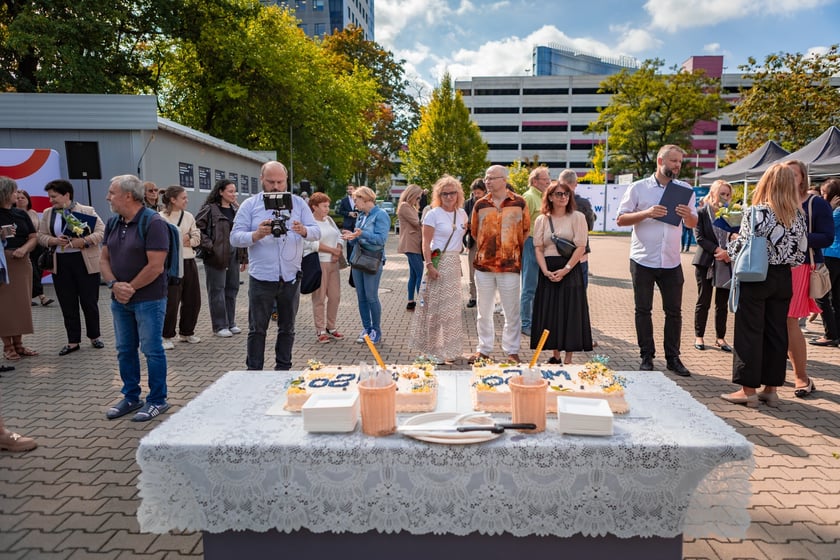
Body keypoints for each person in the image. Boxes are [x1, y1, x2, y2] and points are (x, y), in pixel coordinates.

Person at [720, 163, 807, 407]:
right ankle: (771, 388)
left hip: (757, 276)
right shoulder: (798, 215)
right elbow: (800, 255)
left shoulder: (756, 212)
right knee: (776, 332)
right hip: (783, 278)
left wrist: (731, 242)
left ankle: (747, 390)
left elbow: (745, 248)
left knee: (750, 332)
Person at [616, 145, 697, 376]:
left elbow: (693, 223)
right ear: (660, 160)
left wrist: (688, 216)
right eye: (673, 161)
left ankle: (673, 358)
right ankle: (646, 356)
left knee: (674, 312)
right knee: (643, 310)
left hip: (671, 261)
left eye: (679, 162)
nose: (677, 165)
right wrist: (647, 213)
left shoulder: (685, 189)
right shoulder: (638, 188)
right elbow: (621, 219)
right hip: (643, 259)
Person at [230, 161, 320, 370]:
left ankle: (283, 370)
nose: (276, 186)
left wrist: (303, 230)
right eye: (271, 182)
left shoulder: (298, 203)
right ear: (262, 179)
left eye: (280, 182)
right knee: (257, 329)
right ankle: (254, 372)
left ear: (286, 180)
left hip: (290, 277)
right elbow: (234, 237)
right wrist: (256, 234)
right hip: (262, 278)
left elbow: (317, 231)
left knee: (287, 328)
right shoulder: (250, 205)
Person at [100, 174, 170, 422]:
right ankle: (131, 396)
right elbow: (104, 258)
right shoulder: (112, 222)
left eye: (112, 192)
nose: (108, 197)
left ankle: (157, 400)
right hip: (120, 300)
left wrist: (128, 287)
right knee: (124, 350)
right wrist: (113, 284)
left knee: (151, 350)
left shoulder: (153, 223)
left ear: (128, 195)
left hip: (149, 299)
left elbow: (156, 266)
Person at [37, 179, 106, 356]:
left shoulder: (86, 210)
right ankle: (73, 341)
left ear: (66, 195)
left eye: (54, 196)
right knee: (68, 304)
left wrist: (83, 241)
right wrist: (53, 240)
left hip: (84, 262)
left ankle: (95, 336)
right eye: (49, 197)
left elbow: (101, 231)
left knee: (89, 302)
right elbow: (41, 235)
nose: (50, 200)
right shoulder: (48, 213)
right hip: (60, 263)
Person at [783, 160, 833, 398]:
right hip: (773, 268)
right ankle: (773, 375)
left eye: (794, 174)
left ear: (803, 177)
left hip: (801, 266)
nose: (790, 178)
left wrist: (801, 239)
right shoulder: (774, 202)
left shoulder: (816, 203)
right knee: (775, 321)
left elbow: (827, 237)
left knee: (790, 320)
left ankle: (801, 377)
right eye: (785, 174)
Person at [468, 165, 529, 364]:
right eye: (486, 178)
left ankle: (511, 350)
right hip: (484, 266)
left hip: (510, 266)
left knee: (511, 312)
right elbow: (475, 232)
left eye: (492, 178)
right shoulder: (480, 205)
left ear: (504, 179)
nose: (487, 181)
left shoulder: (520, 203)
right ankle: (483, 349)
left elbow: (525, 231)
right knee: (483, 312)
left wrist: (511, 250)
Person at [532, 180, 592, 364]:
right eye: (559, 194)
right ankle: (555, 355)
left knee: (570, 312)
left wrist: (565, 270)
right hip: (548, 271)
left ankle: (568, 358)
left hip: (570, 270)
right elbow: (538, 248)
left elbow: (581, 246)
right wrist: (545, 271)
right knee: (551, 313)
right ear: (549, 197)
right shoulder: (542, 219)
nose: (564, 197)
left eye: (566, 194)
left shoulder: (578, 217)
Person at [409, 175, 469, 363]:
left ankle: (451, 350)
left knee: (451, 309)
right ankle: (432, 351)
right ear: (439, 195)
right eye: (445, 194)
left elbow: (462, 234)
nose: (449, 197)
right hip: (437, 261)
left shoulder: (462, 214)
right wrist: (428, 265)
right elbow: (425, 243)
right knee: (434, 308)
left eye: (452, 193)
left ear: (458, 194)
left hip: (454, 263)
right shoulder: (432, 214)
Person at [195, 179, 246, 338]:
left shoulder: (236, 210)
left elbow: (242, 233)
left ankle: (231, 323)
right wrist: (212, 247)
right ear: (220, 192)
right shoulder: (210, 209)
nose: (234, 194)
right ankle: (219, 326)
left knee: (232, 288)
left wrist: (243, 257)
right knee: (217, 290)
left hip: (234, 254)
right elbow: (197, 230)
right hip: (216, 256)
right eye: (230, 191)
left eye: (235, 191)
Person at [341, 186, 389, 344]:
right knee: (361, 297)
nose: (355, 204)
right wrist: (351, 237)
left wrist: (362, 234)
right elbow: (357, 238)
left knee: (371, 297)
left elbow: (381, 240)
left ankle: (376, 330)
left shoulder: (380, 215)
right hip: (357, 259)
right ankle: (366, 329)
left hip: (372, 260)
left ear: (366, 198)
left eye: (356, 200)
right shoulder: (361, 216)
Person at [692, 180, 735, 352]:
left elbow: (736, 235)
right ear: (713, 193)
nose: (725, 197)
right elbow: (700, 238)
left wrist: (729, 250)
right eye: (722, 194)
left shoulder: (731, 214)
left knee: (722, 304)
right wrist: (717, 249)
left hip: (725, 261)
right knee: (704, 300)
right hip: (706, 263)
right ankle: (699, 336)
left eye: (727, 194)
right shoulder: (702, 212)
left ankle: (720, 338)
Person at [1, 177, 39, 362]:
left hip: (22, 262)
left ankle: (19, 344)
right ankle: (7, 346)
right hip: (2, 263)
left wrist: (24, 249)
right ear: (5, 192)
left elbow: (33, 237)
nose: (18, 194)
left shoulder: (21, 214)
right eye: (15, 191)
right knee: (5, 306)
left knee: (21, 305)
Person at [160, 186, 201, 349]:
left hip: (189, 260)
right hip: (171, 263)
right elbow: (162, 240)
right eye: (183, 198)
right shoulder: (160, 218)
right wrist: (181, 239)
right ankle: (167, 335)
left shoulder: (189, 216)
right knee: (171, 300)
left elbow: (197, 237)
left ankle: (187, 332)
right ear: (173, 200)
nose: (187, 200)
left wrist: (188, 239)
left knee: (193, 299)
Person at [304, 192, 345, 343]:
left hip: (334, 263)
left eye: (328, 206)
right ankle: (320, 330)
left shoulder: (329, 220)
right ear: (314, 207)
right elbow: (311, 244)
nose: (328, 209)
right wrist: (332, 250)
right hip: (319, 263)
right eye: (324, 206)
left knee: (335, 297)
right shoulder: (310, 224)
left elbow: (339, 235)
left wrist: (338, 249)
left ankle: (331, 327)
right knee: (319, 298)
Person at [520, 166, 551, 337]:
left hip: (542, 245)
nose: (548, 181)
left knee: (539, 286)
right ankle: (525, 323)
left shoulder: (544, 198)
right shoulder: (529, 197)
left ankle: (535, 321)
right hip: (531, 244)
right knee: (529, 286)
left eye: (548, 178)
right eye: (545, 179)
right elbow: (521, 225)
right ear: (534, 181)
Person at [812, 178, 840, 346]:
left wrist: (829, 209)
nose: (822, 198)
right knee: (836, 298)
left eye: (824, 194)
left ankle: (830, 334)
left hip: (831, 255)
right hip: (836, 256)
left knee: (822, 296)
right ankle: (836, 334)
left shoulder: (835, 212)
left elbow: (820, 226)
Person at [558, 169, 596, 287]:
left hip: (558, 250)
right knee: (579, 293)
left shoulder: (552, 201)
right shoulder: (583, 203)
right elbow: (590, 226)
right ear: (575, 184)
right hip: (580, 254)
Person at [15, 189, 54, 307]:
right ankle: (42, 296)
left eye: (23, 198)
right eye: (18, 198)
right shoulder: (12, 214)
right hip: (23, 246)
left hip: (37, 245)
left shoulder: (32, 213)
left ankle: (29, 296)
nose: (20, 200)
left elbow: (38, 228)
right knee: (33, 272)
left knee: (37, 270)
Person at [397, 184, 424, 311]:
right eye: (418, 197)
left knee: (414, 274)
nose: (418, 200)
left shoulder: (409, 206)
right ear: (412, 195)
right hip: (411, 244)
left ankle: (411, 301)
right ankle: (421, 303)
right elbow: (416, 223)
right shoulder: (405, 206)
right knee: (420, 274)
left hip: (412, 243)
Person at [463, 178, 486, 308]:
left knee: (485, 270)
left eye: (479, 192)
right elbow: (465, 222)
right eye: (475, 193)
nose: (477, 195)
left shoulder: (489, 202)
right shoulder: (469, 203)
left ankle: (485, 297)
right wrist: (465, 242)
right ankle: (473, 296)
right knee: (472, 270)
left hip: (487, 242)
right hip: (473, 241)